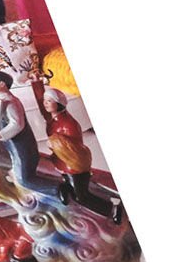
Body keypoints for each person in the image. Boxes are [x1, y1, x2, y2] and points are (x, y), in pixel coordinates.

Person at [42, 86, 122, 223]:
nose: (45, 103)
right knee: (71, 187)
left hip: (73, 165)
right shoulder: (53, 120)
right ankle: (66, 188)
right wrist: (35, 81)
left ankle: (112, 209)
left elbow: (74, 147)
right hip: (61, 162)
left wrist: (55, 142)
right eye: (45, 100)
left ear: (58, 103)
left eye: (49, 101)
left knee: (81, 196)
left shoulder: (68, 123)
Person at [0, 70, 58, 197]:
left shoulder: (11, 102)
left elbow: (17, 124)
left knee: (24, 180)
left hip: (22, 146)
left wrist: (1, 134)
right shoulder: (2, 99)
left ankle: (58, 189)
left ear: (2, 84)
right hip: (12, 144)